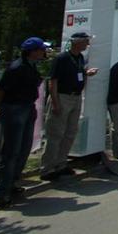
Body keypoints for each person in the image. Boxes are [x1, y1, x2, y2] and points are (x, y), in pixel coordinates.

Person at [0, 37, 47, 208]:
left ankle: (13, 182)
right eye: (41, 49)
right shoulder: (16, 68)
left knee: (24, 148)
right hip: (15, 109)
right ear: (32, 51)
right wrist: (3, 108)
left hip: (28, 107)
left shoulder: (32, 66)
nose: (44, 52)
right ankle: (2, 192)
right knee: (11, 151)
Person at [41, 31, 99, 180]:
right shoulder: (61, 58)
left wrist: (86, 73)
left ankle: (61, 163)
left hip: (76, 97)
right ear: (77, 42)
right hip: (62, 96)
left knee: (70, 132)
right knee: (56, 133)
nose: (87, 44)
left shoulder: (80, 58)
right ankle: (47, 168)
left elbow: (78, 72)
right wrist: (55, 103)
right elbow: (53, 81)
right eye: (85, 41)